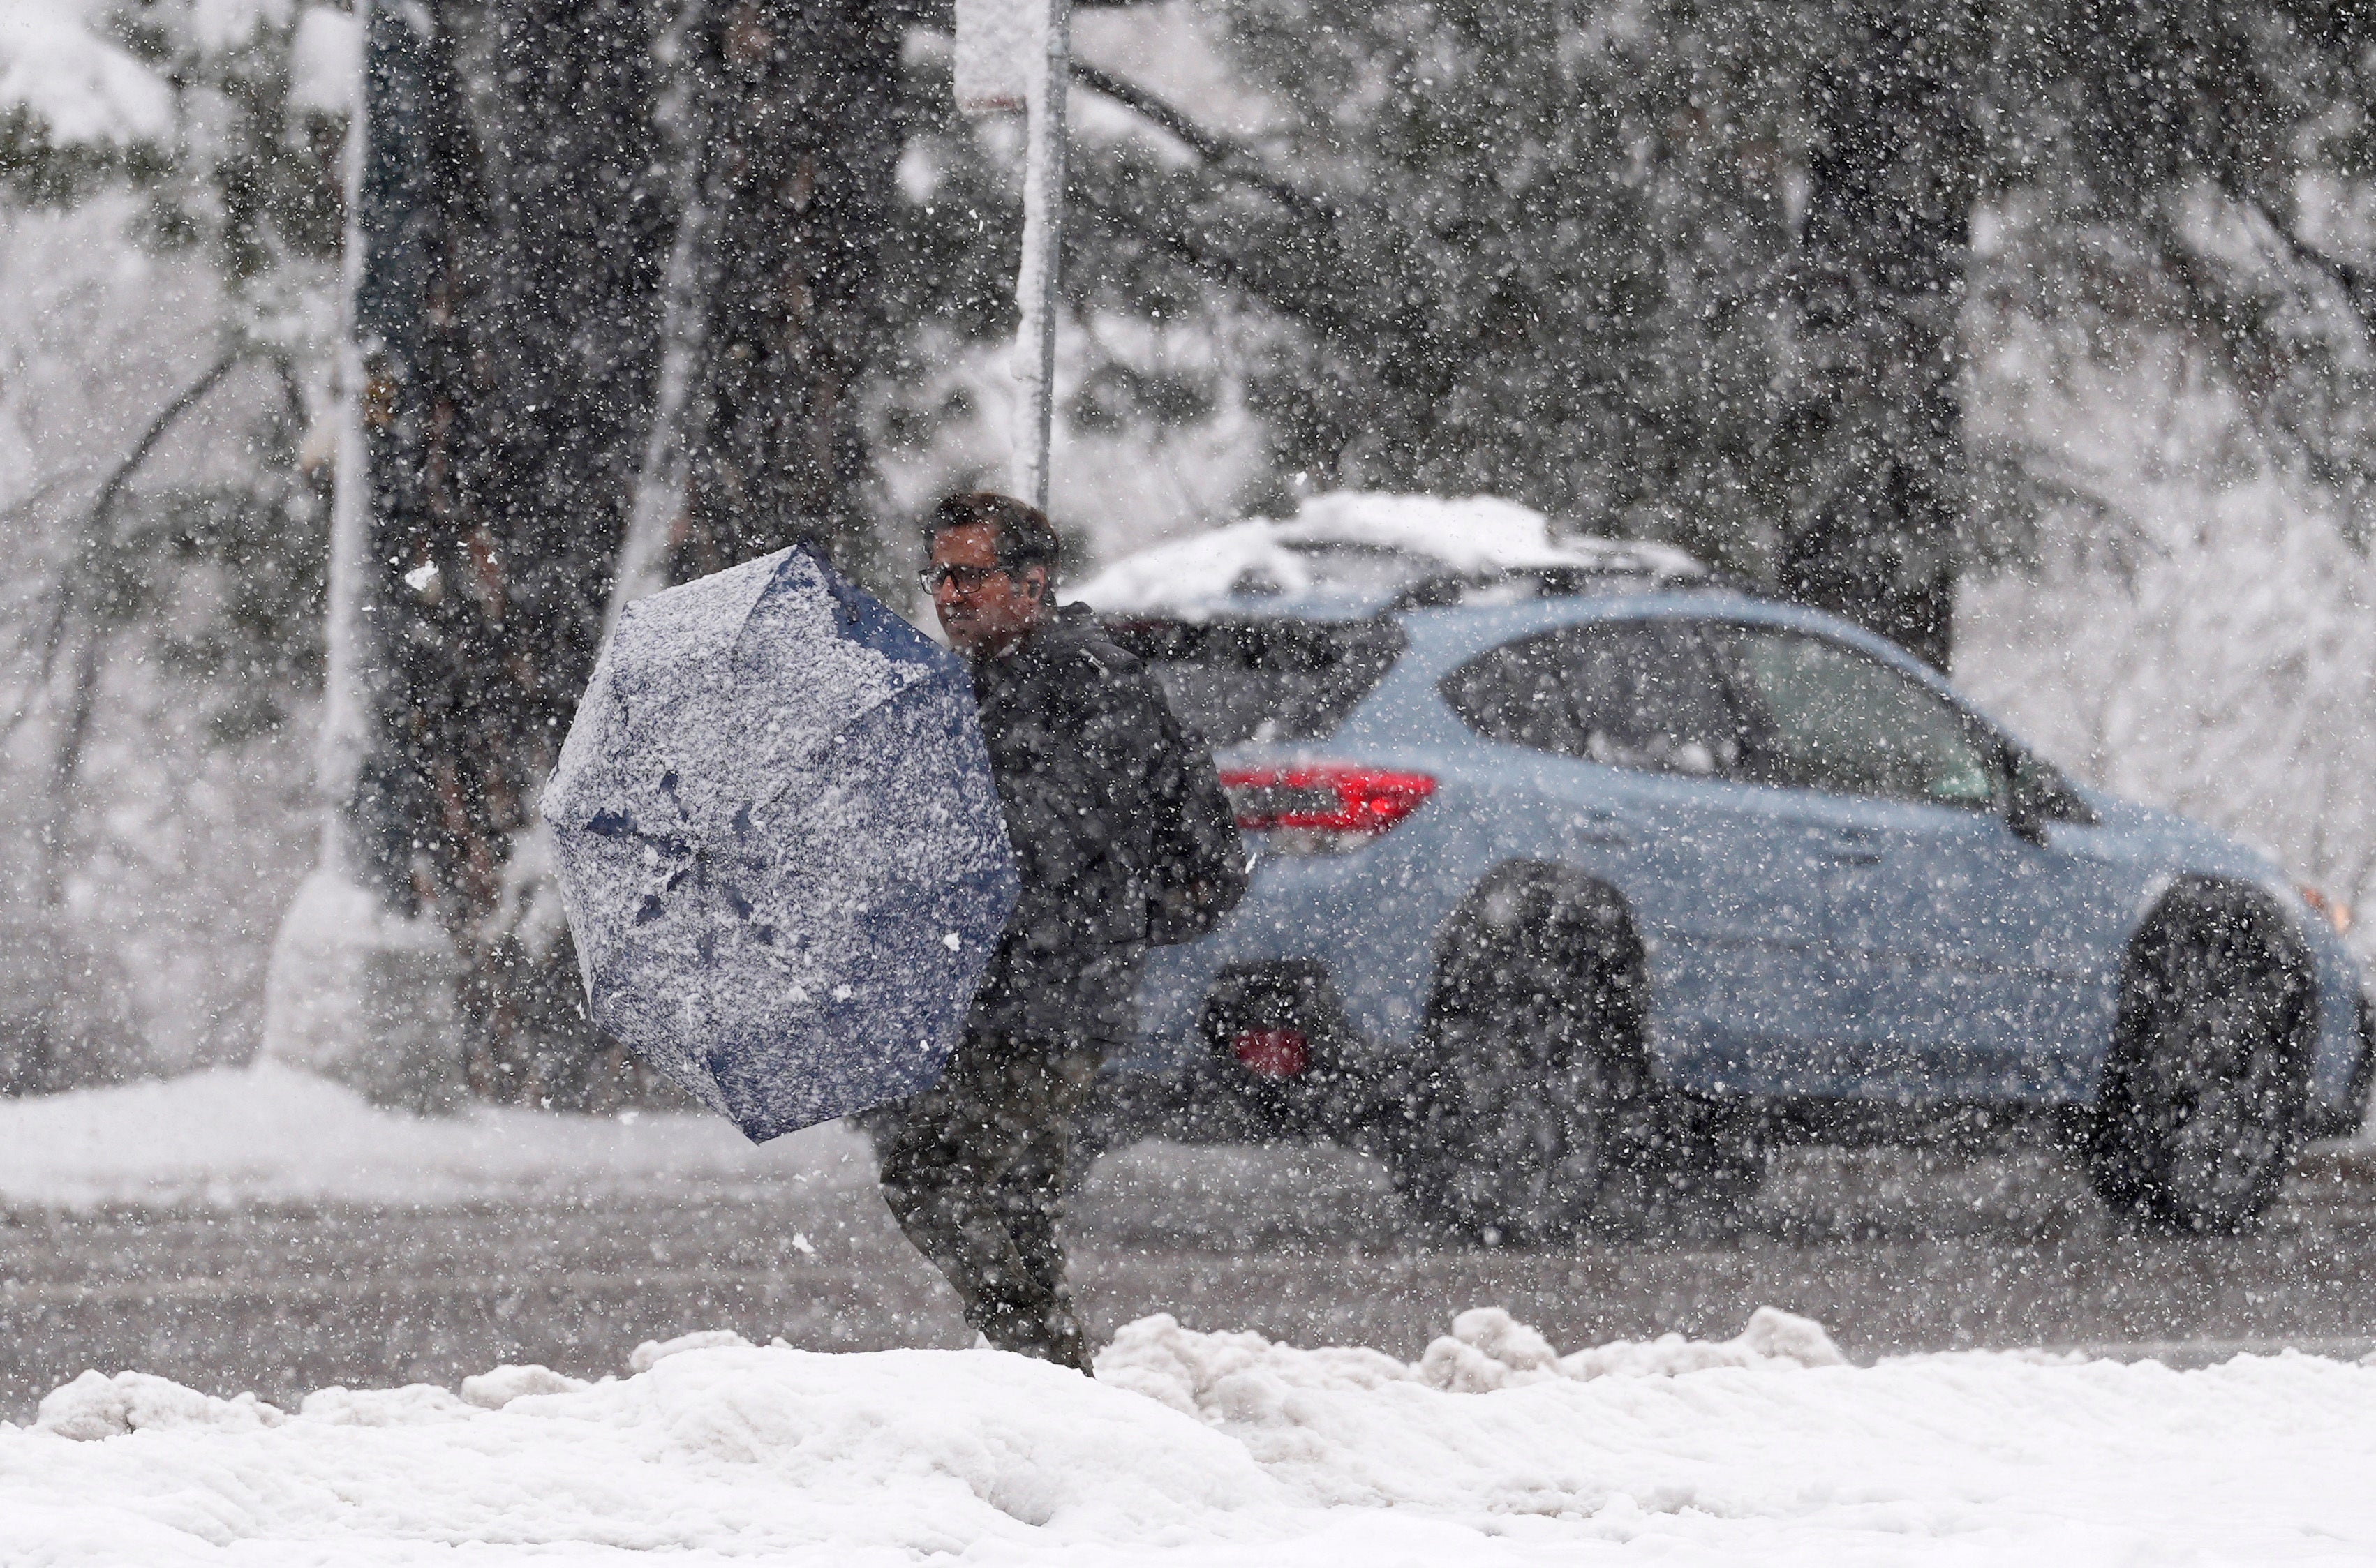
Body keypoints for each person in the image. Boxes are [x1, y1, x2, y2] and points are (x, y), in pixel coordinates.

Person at [870, 491, 1246, 1371]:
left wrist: (949, 829)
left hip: (1052, 995)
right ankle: (1041, 1376)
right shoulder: (967, 682)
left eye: (970, 575)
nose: (949, 595)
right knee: (979, 1192)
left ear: (1031, 584)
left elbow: (1062, 835)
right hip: (975, 993)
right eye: (938, 576)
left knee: (964, 1182)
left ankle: (1041, 1373)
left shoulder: (1086, 682)